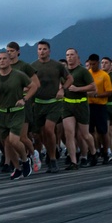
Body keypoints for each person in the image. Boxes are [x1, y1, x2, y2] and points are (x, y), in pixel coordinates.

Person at [0, 50, 38, 178]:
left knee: (14, 140)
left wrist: (24, 99)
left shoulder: (19, 75)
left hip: (17, 112)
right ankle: (17, 168)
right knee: (7, 143)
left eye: (4, 58)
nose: (1, 61)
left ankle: (25, 161)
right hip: (2, 113)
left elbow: (34, 86)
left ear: (9, 61)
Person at [31, 40, 70, 173]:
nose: (42, 51)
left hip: (54, 103)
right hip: (38, 104)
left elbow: (70, 79)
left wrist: (62, 89)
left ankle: (53, 159)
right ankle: (46, 153)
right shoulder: (32, 66)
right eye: (40, 49)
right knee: (38, 135)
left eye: (44, 49)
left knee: (49, 130)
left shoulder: (57, 66)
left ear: (49, 51)